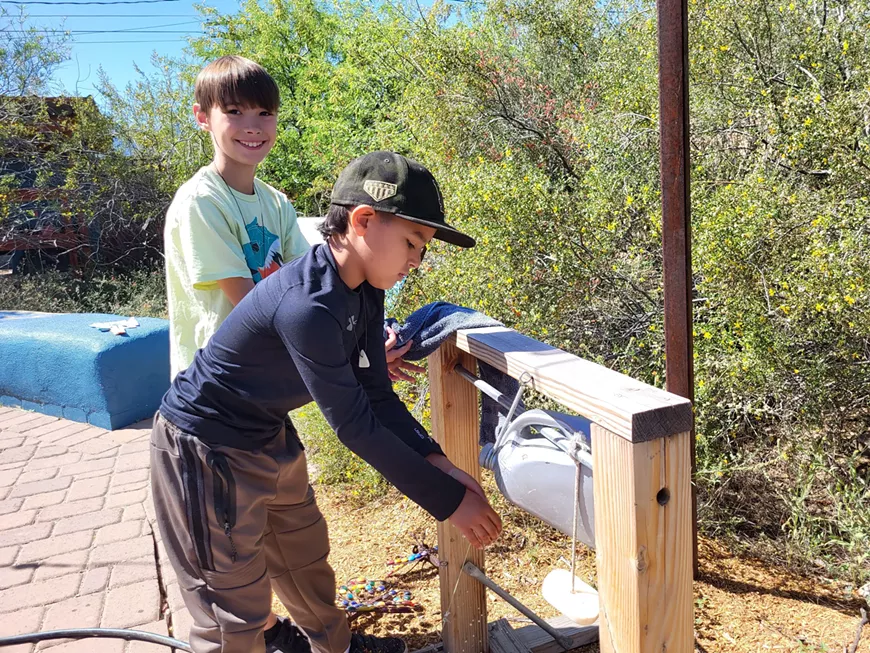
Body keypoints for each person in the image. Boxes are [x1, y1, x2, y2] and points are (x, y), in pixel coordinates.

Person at [150, 150, 503, 653]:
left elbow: (375, 392)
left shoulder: (362, 288)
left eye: (422, 249)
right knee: (232, 609)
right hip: (207, 449)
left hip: (268, 432)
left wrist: (437, 462)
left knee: (304, 560)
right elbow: (355, 425)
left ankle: (333, 649)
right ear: (362, 221)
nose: (415, 261)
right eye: (412, 242)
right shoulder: (307, 305)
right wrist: (448, 502)